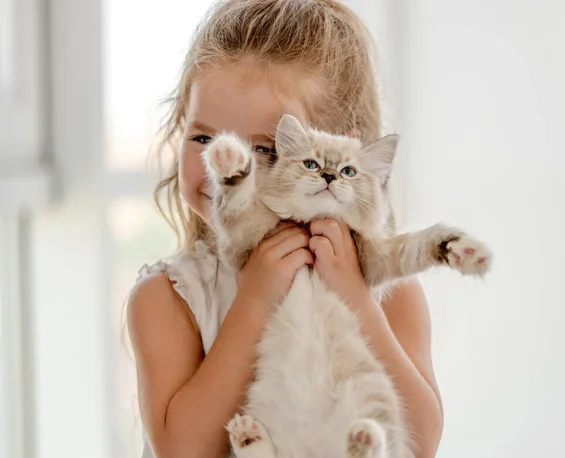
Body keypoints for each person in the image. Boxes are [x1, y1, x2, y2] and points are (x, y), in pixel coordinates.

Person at [128, 1, 444, 457]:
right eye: (203, 138)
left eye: (266, 147)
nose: (225, 165)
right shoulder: (169, 297)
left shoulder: (388, 291)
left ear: (340, 152)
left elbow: (421, 442)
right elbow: (182, 450)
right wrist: (255, 300)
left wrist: (356, 297)